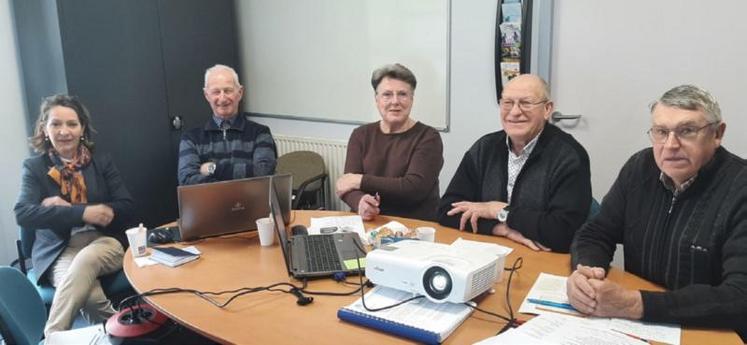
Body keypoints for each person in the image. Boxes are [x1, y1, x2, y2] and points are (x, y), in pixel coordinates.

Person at [567, 85, 747, 340]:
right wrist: (586, 273)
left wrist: (633, 304)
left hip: (712, 333)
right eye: (661, 132)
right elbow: (596, 233)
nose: (671, 145)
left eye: (687, 131)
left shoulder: (740, 188)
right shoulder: (639, 168)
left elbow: (740, 296)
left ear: (717, 134)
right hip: (639, 329)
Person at [14, 95, 135, 336]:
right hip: (59, 249)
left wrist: (60, 209)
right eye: (56, 124)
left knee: (85, 260)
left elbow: (126, 206)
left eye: (72, 124)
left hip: (104, 242)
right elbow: (23, 214)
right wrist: (81, 212)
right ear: (44, 129)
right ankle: (122, 336)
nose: (64, 131)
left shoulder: (101, 162)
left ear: (82, 129)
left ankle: (52, 337)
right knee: (89, 297)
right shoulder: (35, 168)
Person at [437, 74, 591, 252]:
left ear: (547, 109)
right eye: (507, 103)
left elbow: (562, 232)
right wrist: (501, 229)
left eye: (526, 103)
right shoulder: (484, 148)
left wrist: (498, 210)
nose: (515, 112)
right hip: (487, 250)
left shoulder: (569, 156)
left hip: (542, 256)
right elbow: (446, 210)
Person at [336, 63, 443, 221]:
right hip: (371, 223)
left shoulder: (428, 137)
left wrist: (360, 180)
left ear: (412, 99)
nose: (395, 101)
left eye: (402, 94)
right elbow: (347, 186)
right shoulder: (360, 135)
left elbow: (413, 188)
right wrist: (360, 202)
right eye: (387, 94)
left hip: (414, 226)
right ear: (376, 99)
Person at [178, 64, 277, 185]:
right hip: (210, 203)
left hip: (251, 203)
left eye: (228, 90)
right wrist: (241, 178)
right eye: (216, 92)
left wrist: (213, 169)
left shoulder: (260, 133)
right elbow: (187, 179)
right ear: (206, 95)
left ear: (240, 93)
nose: (222, 98)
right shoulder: (191, 138)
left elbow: (264, 172)